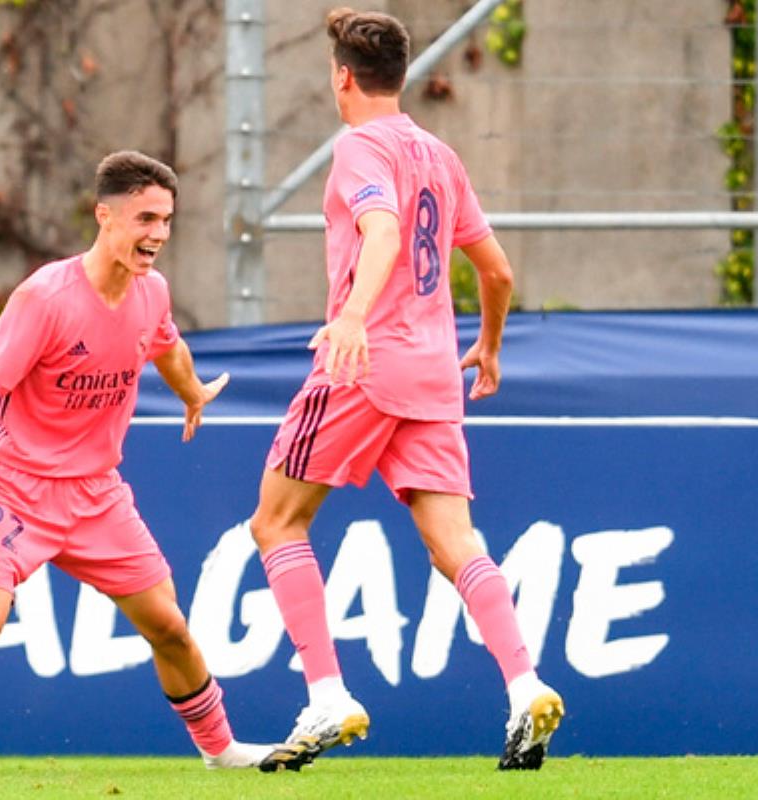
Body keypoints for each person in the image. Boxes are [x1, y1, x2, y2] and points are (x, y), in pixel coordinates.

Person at [0, 151, 309, 776]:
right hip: (15, 488)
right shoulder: (46, 297)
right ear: (104, 216)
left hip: (98, 494)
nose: (157, 234)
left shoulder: (151, 292)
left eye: (165, 221)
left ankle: (221, 750)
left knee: (171, 627)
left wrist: (189, 392)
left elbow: (168, 345)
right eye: (144, 219)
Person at [248, 8, 564, 771]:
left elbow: (382, 234)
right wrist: (486, 348)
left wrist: (354, 317)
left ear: (342, 78)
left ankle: (327, 694)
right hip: (432, 373)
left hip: (365, 364)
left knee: (276, 524)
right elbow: (498, 270)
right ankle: (524, 686)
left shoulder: (359, 146)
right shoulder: (439, 153)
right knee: (456, 546)